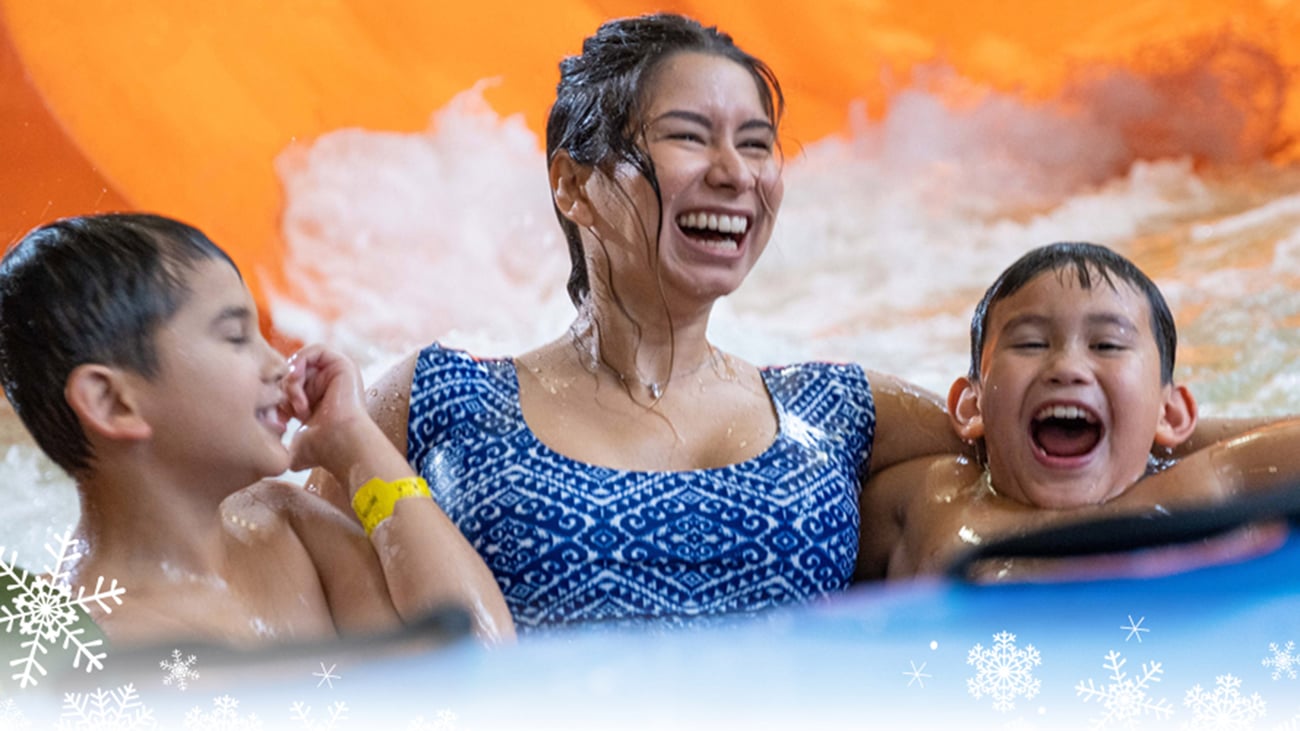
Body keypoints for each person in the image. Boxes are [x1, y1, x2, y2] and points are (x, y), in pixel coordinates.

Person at [0, 213, 514, 648]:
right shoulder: (75, 644)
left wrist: (355, 442)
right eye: (235, 337)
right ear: (112, 402)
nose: (279, 366)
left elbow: (480, 665)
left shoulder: (287, 526)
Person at [859, 242, 1300, 580]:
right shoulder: (933, 497)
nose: (1067, 367)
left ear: (1171, 414)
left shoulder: (1196, 489)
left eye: (1107, 345)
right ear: (971, 405)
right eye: (1031, 343)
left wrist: (1149, 428)